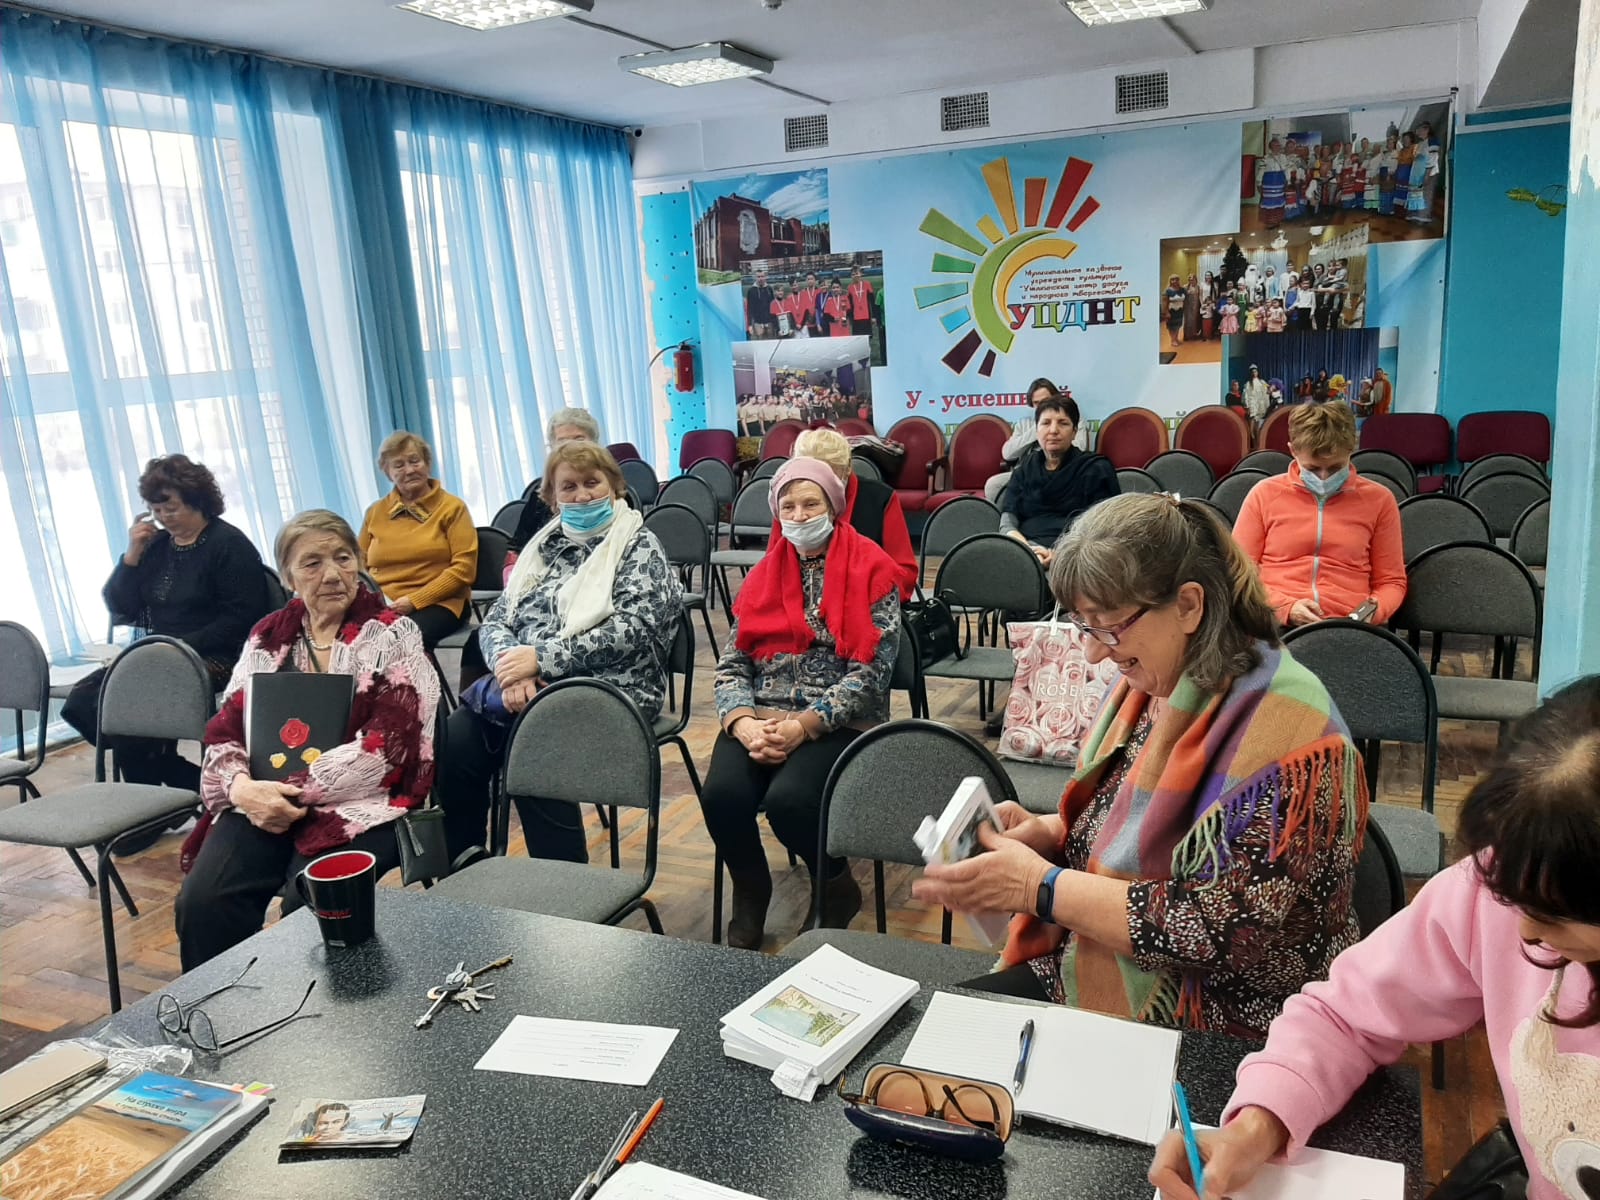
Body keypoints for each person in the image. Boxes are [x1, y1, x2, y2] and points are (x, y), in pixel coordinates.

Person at [915, 494, 1367, 1036]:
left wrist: (1040, 887)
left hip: (1235, 1021)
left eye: (1109, 626)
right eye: (1085, 626)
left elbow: (1219, 931)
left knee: (967, 1067)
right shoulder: (1161, 681)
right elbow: (1134, 824)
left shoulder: (1287, 733)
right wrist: (1053, 832)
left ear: (1189, 605)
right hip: (1111, 962)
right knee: (943, 1046)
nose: (1094, 654)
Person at [1150, 677, 1600, 1200]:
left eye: (1553, 916)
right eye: (1516, 903)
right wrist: (1259, 1123)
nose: (1525, 931)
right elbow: (1345, 1014)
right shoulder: (1502, 889)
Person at [174, 510, 440, 969]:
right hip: (260, 798)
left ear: (359, 562)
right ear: (289, 577)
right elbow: (224, 728)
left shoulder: (393, 633)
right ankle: (222, 1015)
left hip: (361, 805)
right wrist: (241, 788)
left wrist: (290, 790)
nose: (333, 574)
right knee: (203, 903)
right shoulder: (267, 636)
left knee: (311, 909)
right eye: (313, 563)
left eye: (343, 557)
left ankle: (325, 1027)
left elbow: (392, 744)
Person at [438, 441, 680, 862]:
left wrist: (542, 659)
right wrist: (512, 669)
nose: (582, 495)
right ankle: (466, 868)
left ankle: (566, 896)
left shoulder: (639, 546)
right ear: (552, 499)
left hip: (610, 688)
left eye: (592, 483)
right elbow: (496, 621)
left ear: (616, 487)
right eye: (568, 487)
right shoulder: (541, 549)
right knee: (456, 739)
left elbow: (634, 628)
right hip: (526, 683)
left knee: (534, 744)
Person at [699, 457, 902, 950]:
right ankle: (751, 889)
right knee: (722, 796)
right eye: (787, 504)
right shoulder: (762, 575)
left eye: (810, 502)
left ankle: (833, 885)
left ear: (833, 506)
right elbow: (731, 665)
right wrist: (743, 722)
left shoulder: (874, 568)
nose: (799, 513)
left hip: (836, 719)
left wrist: (805, 725)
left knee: (790, 802)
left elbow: (871, 674)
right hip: (761, 714)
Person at [62, 454, 271, 834]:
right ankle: (175, 781)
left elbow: (242, 620)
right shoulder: (157, 546)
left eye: (170, 507)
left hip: (214, 655)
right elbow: (119, 606)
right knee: (83, 702)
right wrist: (131, 555)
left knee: (133, 703)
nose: (162, 517)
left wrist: (175, 648)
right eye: (155, 508)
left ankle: (157, 806)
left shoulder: (228, 545)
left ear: (196, 500)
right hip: (159, 655)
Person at [1233, 403, 1406, 629]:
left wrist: (1370, 612)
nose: (1324, 477)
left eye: (1335, 468)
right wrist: (1285, 608)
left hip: (1351, 625)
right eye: (1313, 468)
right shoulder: (1264, 494)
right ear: (1292, 450)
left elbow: (1391, 582)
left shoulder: (1379, 500)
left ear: (1351, 450)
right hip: (1273, 620)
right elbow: (1237, 573)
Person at [358, 432, 477, 650]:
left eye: (415, 461)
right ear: (388, 473)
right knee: (348, 641)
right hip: (382, 604)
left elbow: (464, 569)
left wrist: (413, 601)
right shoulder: (375, 512)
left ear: (427, 463)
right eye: (399, 465)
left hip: (440, 603)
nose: (410, 470)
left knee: (397, 643)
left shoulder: (452, 508)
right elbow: (358, 565)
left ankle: (420, 685)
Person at [793, 429, 916, 600]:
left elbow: (905, 574)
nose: (822, 486)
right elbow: (773, 567)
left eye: (830, 478)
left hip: (869, 604)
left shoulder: (880, 498)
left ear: (847, 468)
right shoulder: (790, 503)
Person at [999, 396, 1119, 566]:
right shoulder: (1024, 469)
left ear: (1075, 431)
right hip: (1024, 551)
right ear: (1037, 429)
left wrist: (1060, 555)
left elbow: (1104, 528)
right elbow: (1008, 519)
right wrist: (1026, 551)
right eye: (1046, 423)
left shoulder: (1095, 469)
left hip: (1080, 557)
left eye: (1063, 423)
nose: (1053, 430)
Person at [508, 408, 603, 560]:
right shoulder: (540, 494)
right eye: (562, 442)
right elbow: (517, 550)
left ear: (595, 444)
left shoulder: (608, 489)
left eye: (579, 440)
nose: (571, 448)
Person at [984, 378, 1059, 504]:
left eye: (1046, 401)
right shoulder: (1025, 423)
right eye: (1037, 403)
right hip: (1025, 473)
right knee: (993, 484)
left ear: (1056, 398)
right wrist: (1037, 430)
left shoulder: (1072, 419)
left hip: (1058, 472)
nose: (1042, 406)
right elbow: (1007, 453)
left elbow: (1080, 447)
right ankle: (1006, 521)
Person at [745, 270, 775, 339]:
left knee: (771, 342)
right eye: (758, 277)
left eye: (762, 276)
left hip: (769, 321)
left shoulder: (769, 289)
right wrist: (749, 325)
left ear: (765, 277)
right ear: (755, 278)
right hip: (758, 322)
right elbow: (749, 308)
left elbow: (773, 306)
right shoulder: (751, 291)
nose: (760, 278)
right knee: (761, 342)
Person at [847, 264, 875, 336]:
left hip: (866, 316)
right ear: (851, 276)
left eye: (857, 273)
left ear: (860, 274)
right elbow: (849, 305)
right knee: (857, 338)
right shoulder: (850, 287)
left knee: (867, 337)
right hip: (856, 317)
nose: (855, 276)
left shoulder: (867, 284)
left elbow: (872, 301)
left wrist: (873, 316)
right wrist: (850, 318)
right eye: (853, 274)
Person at [1241, 365, 1271, 430]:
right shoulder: (1248, 383)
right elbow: (1245, 395)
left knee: (1259, 418)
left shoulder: (1262, 382)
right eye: (1253, 372)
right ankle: (1251, 434)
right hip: (1252, 403)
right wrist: (1247, 406)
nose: (1254, 373)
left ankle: (1257, 431)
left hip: (1260, 403)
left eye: (1255, 372)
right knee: (1253, 418)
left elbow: (1267, 388)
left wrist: (1269, 390)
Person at [1164, 276, 1186, 351]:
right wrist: (1166, 312)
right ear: (1170, 281)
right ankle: (1172, 340)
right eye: (1173, 280)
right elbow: (1165, 302)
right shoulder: (1167, 291)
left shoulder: (1182, 289)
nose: (1175, 281)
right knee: (1171, 326)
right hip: (1171, 311)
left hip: (1180, 310)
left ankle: (1176, 338)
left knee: (1178, 325)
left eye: (1176, 279)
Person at [1183, 275, 1202, 343]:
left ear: (1196, 280)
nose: (1191, 281)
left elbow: (1199, 296)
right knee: (1187, 320)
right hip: (1188, 306)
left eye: (1193, 279)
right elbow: (1183, 297)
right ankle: (1186, 335)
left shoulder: (1198, 287)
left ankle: (1193, 334)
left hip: (1196, 305)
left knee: (1194, 320)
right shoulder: (1185, 287)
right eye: (1190, 279)